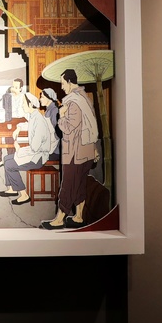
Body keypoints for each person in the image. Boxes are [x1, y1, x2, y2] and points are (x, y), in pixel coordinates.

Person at [41, 69, 99, 230]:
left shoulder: (73, 102)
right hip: (86, 150)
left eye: (62, 83)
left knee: (68, 184)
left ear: (69, 82)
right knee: (79, 184)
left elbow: (67, 128)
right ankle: (79, 217)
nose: (62, 87)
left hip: (76, 152)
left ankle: (59, 219)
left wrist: (61, 115)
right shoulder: (84, 98)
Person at [0, 92, 57, 205]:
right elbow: (27, 125)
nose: (22, 105)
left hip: (38, 158)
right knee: (7, 158)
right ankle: (12, 189)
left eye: (23, 103)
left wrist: (19, 149)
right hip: (35, 153)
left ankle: (24, 195)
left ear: (30, 104)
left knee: (10, 165)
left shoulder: (39, 121)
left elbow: (35, 147)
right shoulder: (34, 116)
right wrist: (18, 128)